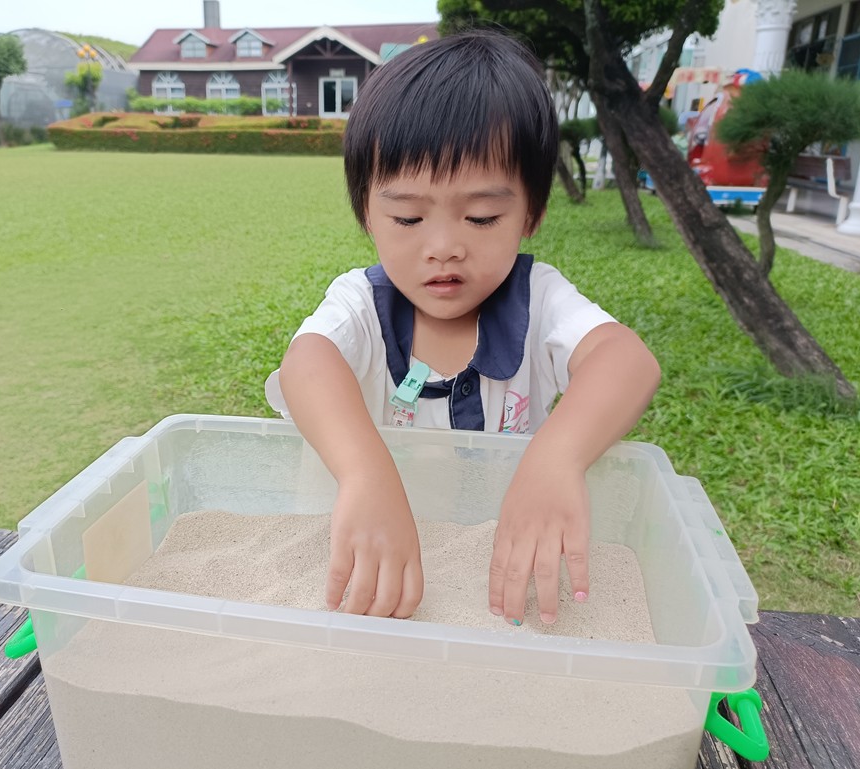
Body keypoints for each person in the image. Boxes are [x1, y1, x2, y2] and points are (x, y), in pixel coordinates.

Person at [264, 31, 660, 627]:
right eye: (408, 217)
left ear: (531, 213)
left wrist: (557, 458)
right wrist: (364, 474)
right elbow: (307, 363)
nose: (444, 247)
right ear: (367, 213)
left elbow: (625, 360)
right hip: (369, 562)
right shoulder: (361, 303)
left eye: (481, 217)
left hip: (495, 563)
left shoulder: (539, 298)